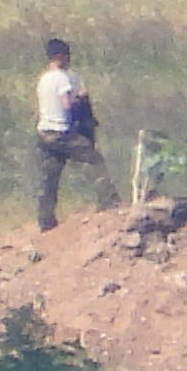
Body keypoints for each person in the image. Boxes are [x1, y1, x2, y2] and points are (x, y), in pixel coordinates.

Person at [34, 38, 117, 232]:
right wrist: (79, 98)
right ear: (60, 56)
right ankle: (110, 202)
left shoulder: (43, 79)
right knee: (93, 161)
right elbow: (66, 104)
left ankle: (45, 220)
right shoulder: (62, 78)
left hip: (45, 132)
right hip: (62, 132)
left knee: (49, 178)